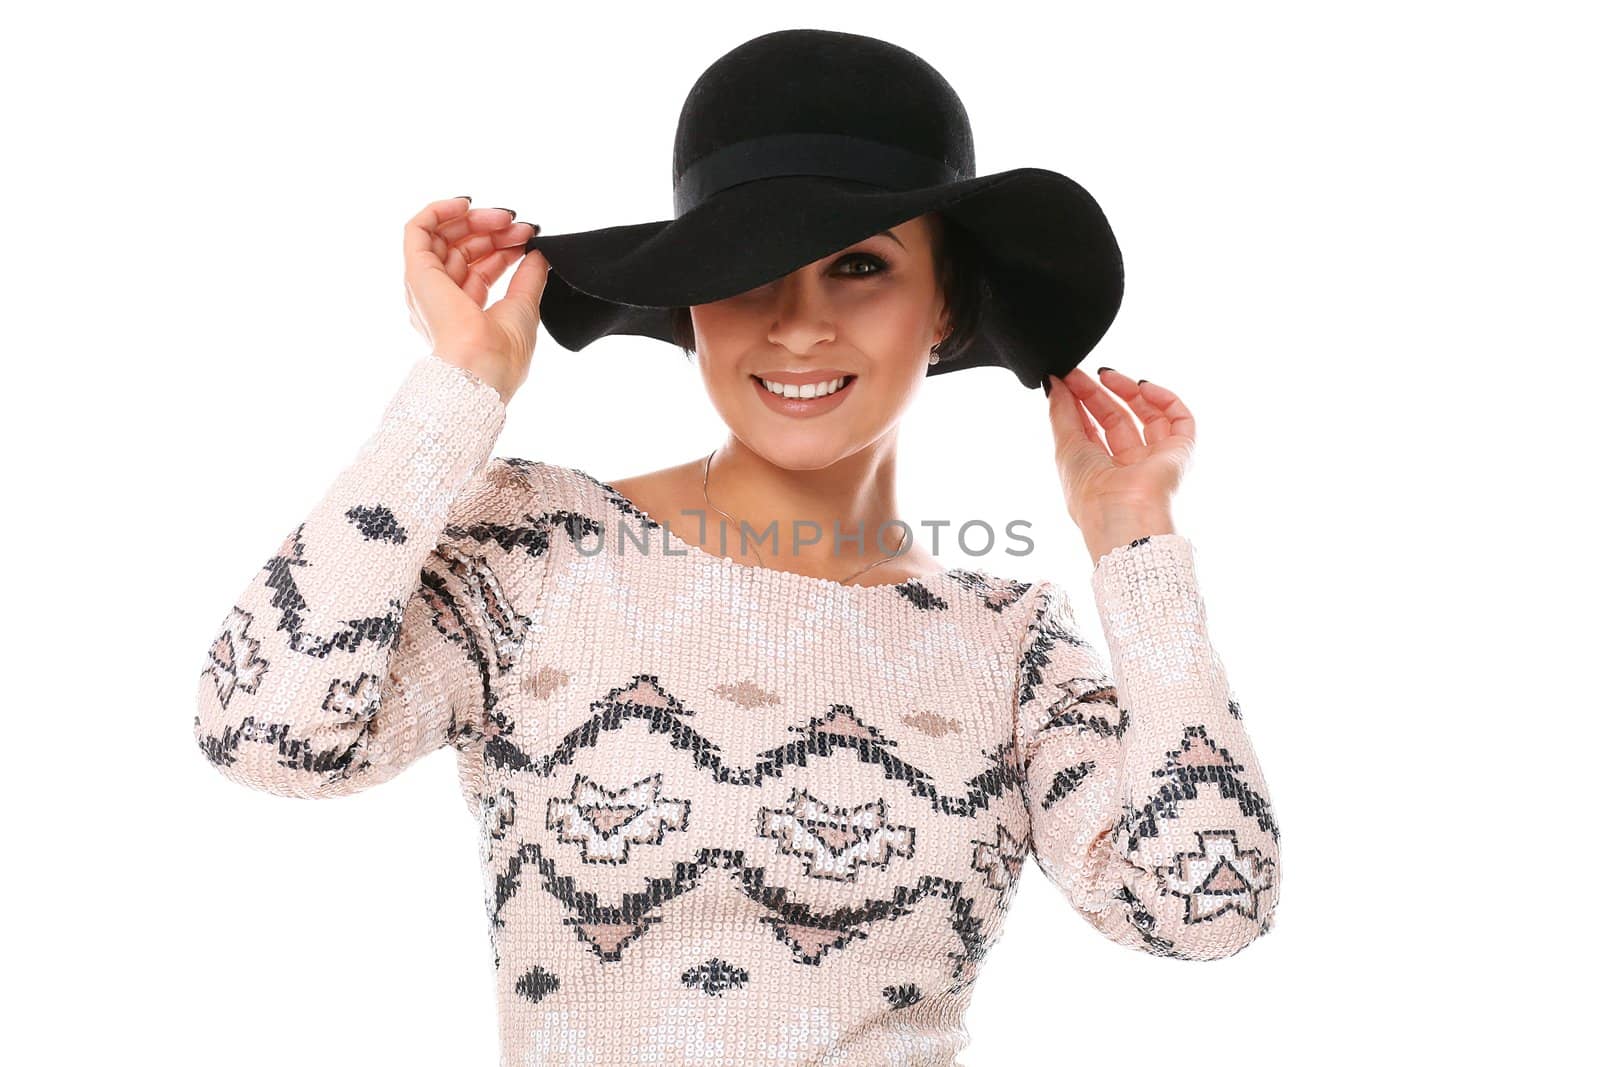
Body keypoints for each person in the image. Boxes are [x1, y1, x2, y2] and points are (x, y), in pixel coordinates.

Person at [193, 29, 1280, 1067]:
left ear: (943, 306)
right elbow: (266, 732)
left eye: (857, 267)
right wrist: (460, 385)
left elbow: (1205, 908)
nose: (795, 324)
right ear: (689, 305)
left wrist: (1134, 545)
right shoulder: (541, 546)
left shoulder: (1010, 643)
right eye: (746, 266)